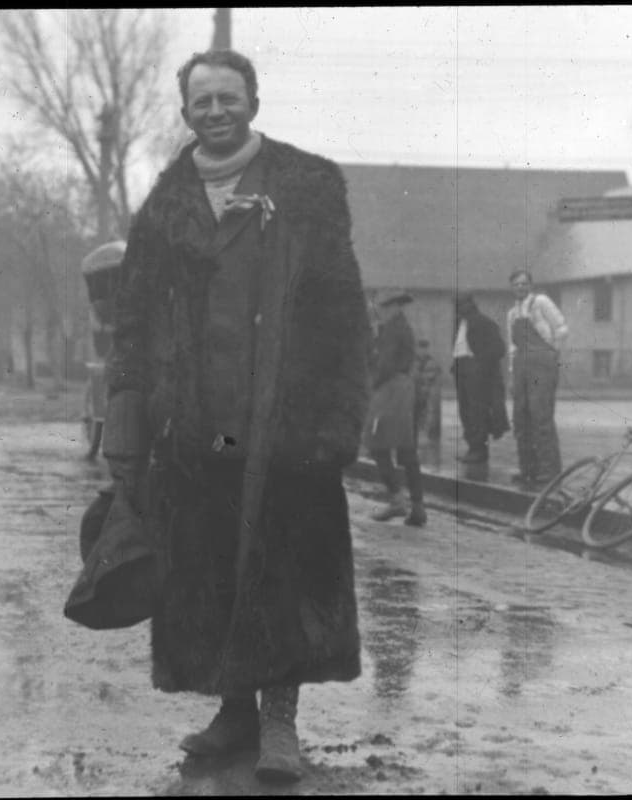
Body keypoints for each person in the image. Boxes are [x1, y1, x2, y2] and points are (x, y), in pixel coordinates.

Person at [102, 49, 370, 784]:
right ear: (185, 112)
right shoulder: (166, 205)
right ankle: (235, 711)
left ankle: (279, 720)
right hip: (202, 426)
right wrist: (129, 418)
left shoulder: (307, 186)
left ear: (253, 100)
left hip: (286, 418)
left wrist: (335, 420)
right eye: (202, 102)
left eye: (228, 97)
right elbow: (132, 319)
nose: (216, 111)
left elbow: (343, 310)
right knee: (214, 561)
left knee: (281, 563)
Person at [365, 289, 427, 527]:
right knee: (406, 448)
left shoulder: (393, 329)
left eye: (383, 307)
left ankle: (397, 500)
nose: (380, 311)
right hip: (404, 388)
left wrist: (371, 385)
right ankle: (417, 506)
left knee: (376, 444)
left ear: (393, 307)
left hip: (390, 389)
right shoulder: (399, 326)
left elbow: (385, 364)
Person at [505, 269, 568, 488]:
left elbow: (561, 328)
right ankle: (528, 469)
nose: (520, 287)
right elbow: (512, 346)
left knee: (541, 417)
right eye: (516, 284)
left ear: (530, 285)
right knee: (521, 418)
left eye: (524, 283)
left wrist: (552, 353)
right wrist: (512, 375)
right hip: (521, 366)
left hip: (542, 365)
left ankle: (549, 472)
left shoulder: (540, 302)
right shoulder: (512, 313)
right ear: (511, 287)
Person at [451, 293, 509, 464]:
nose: (460, 308)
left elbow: (499, 349)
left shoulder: (484, 322)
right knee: (465, 411)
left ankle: (479, 450)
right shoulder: (459, 324)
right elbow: (459, 348)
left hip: (477, 372)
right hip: (461, 370)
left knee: (477, 412)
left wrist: (480, 363)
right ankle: (472, 447)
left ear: (472, 304)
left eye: (464, 304)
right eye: (458, 305)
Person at [412, 338, 443, 452]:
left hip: (427, 393)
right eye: (421, 348)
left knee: (427, 415)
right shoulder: (412, 361)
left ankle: (428, 437)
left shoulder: (432, 362)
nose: (423, 351)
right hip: (416, 393)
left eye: (425, 348)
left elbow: (435, 378)